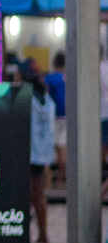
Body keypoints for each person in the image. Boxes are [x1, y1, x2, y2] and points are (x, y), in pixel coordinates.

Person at [26, 58, 54, 243]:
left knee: (32, 194)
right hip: (42, 152)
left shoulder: (28, 100)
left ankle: (41, 234)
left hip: (30, 151)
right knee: (38, 193)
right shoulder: (47, 100)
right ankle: (42, 232)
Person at [46, 51, 67, 187]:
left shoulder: (50, 78)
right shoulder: (67, 78)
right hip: (65, 116)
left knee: (48, 148)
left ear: (54, 63)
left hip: (52, 117)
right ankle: (60, 180)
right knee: (62, 148)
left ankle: (47, 181)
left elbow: (46, 96)